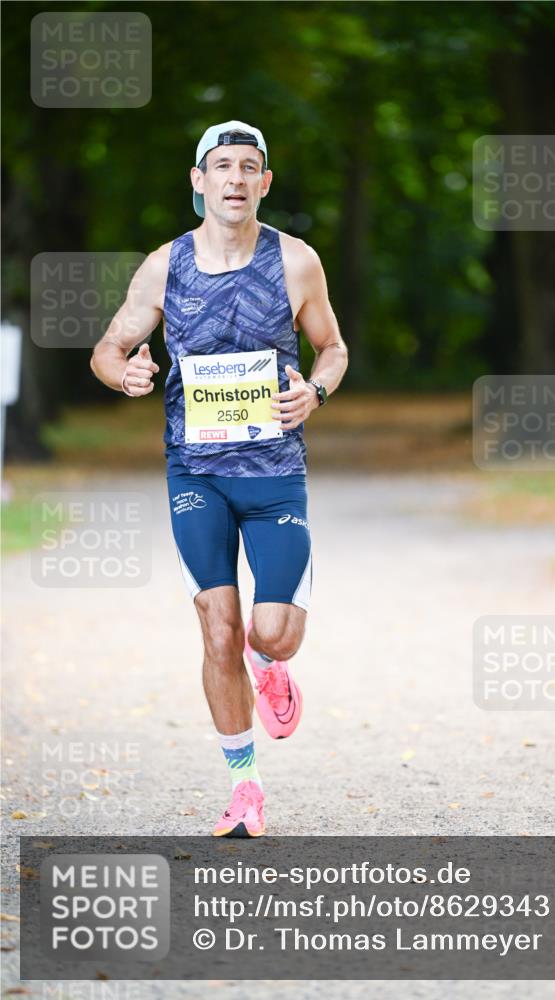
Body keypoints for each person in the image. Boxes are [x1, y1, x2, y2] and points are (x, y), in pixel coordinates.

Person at [91, 120, 348, 836]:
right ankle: (244, 788)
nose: (235, 179)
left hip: (273, 472)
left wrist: (316, 392)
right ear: (198, 180)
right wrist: (128, 373)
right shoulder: (163, 267)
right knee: (216, 627)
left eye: (249, 168)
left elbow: (331, 347)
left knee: (272, 632)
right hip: (195, 471)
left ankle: (270, 665)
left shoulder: (295, 262)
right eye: (221, 166)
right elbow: (109, 350)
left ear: (264, 183)